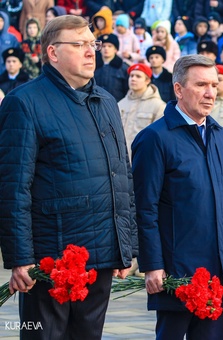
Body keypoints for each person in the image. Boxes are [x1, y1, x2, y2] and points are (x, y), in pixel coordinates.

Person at [0, 15, 137, 339]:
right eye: (79, 45)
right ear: (53, 53)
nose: (91, 52)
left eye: (93, 44)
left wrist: (125, 247)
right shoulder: (25, 102)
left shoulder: (105, 101)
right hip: (52, 260)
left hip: (101, 256)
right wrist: (21, 259)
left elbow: (122, 177)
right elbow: (12, 188)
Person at [131, 54, 223, 339]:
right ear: (179, 89)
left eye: (214, 84)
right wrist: (152, 264)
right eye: (201, 85)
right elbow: (144, 208)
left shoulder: (222, 137)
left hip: (217, 270)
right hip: (175, 270)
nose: (210, 93)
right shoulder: (155, 138)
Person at [118, 63, 166, 157]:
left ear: (147, 80)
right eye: (131, 76)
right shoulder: (120, 104)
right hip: (121, 160)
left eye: (138, 76)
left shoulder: (159, 106)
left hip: (144, 159)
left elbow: (160, 139)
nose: (133, 79)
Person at [94, 33, 129, 102]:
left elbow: (127, 91)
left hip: (117, 105)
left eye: (110, 46)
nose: (106, 48)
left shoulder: (123, 68)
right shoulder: (93, 66)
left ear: (115, 49)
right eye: (103, 46)